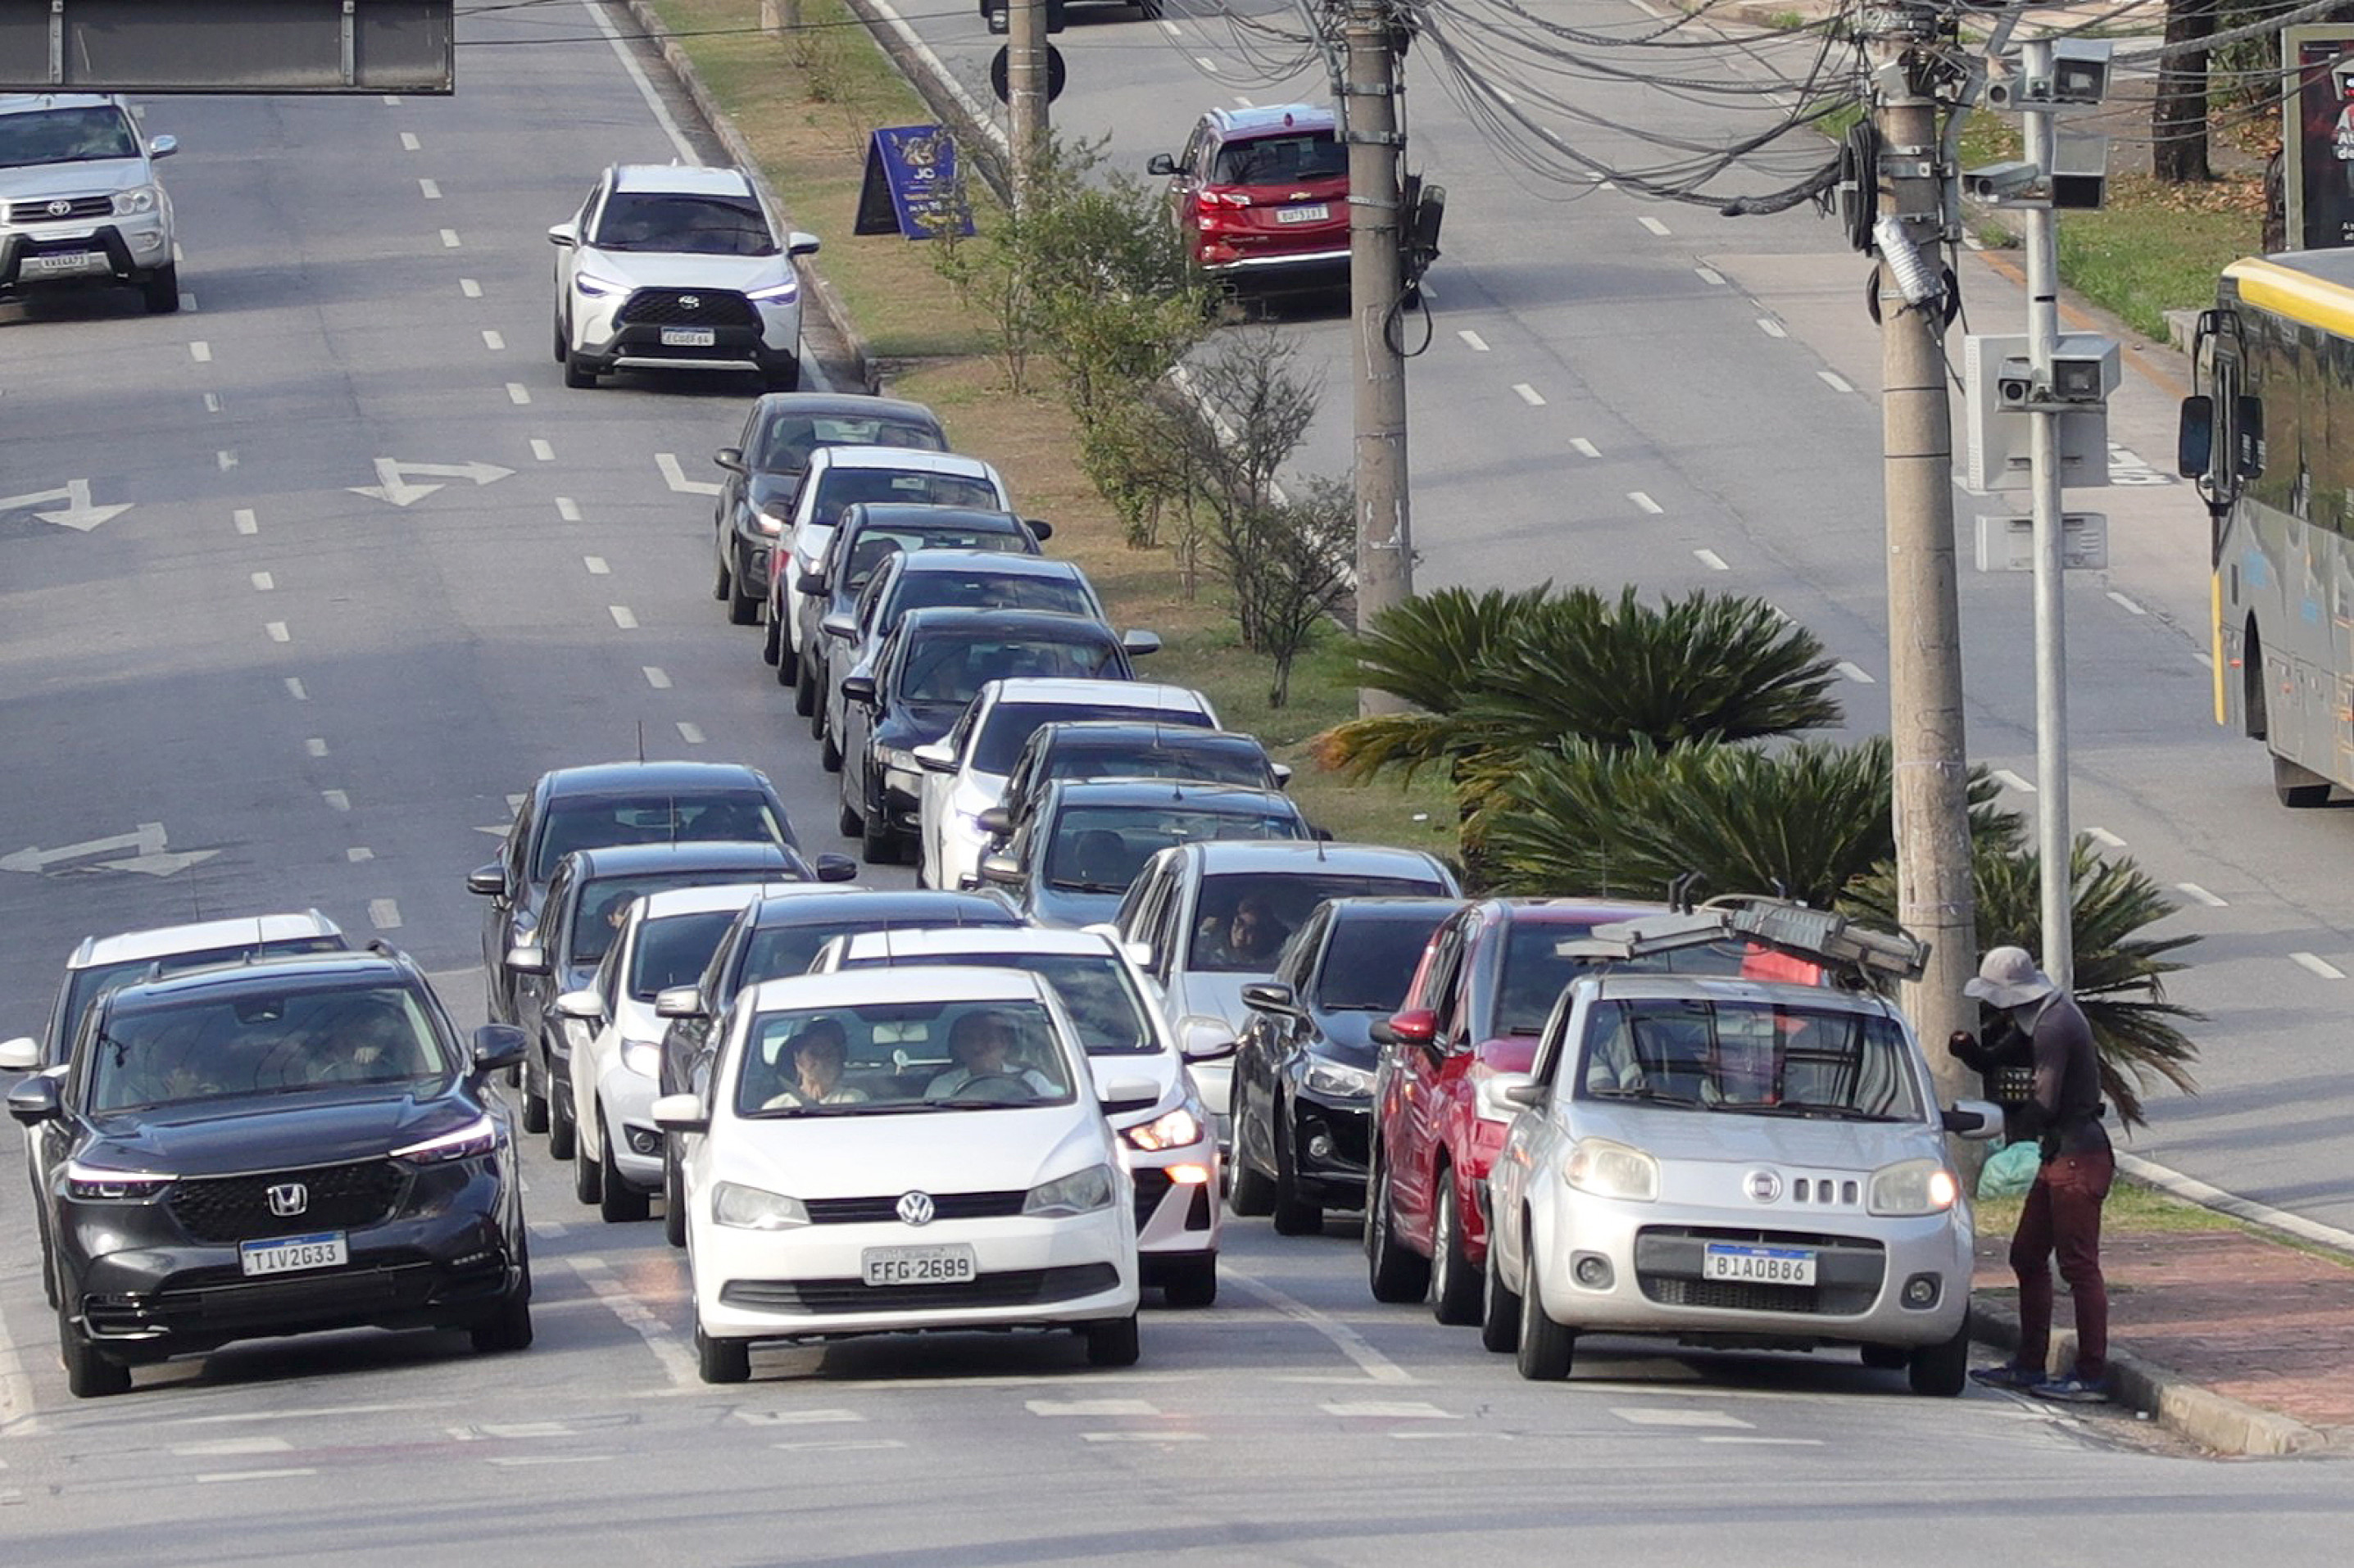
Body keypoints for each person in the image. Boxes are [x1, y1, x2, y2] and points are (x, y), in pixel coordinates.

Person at [1951, 945, 2113, 1403]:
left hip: (2078, 1155)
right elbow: (1995, 1060)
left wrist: (2008, 1126)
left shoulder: (2054, 1025)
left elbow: (2045, 1099)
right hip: (2060, 1154)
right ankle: (2028, 1363)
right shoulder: (2036, 1017)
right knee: (2027, 1254)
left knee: (2078, 1265)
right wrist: (1968, 1052)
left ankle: (2091, 1373)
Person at [925, 1009, 1055, 1099]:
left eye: (988, 1039)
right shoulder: (943, 1086)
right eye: (968, 1040)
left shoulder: (1032, 1080)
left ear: (1004, 1045)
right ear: (958, 1047)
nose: (977, 1047)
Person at [761, 1019, 869, 1109]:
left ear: (839, 1063)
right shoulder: (775, 1107)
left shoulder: (853, 1100)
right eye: (814, 1053)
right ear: (798, 1059)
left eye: (829, 1054)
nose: (821, 1060)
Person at [1196, 893, 1288, 969]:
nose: (1241, 935)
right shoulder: (1211, 952)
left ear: (1263, 935)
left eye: (1250, 930)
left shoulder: (1275, 963)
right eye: (1238, 924)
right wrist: (1205, 931)